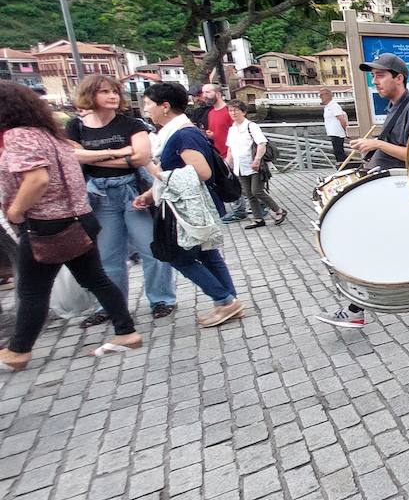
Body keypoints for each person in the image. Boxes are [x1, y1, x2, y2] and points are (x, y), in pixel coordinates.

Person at [0, 82, 142, 371]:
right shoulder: (50, 135)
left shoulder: (19, 136)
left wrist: (15, 210)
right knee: (97, 279)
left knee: (33, 290)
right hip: (79, 217)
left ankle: (18, 351)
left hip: (48, 224)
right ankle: (126, 331)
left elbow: (37, 179)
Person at [316, 53, 409, 327]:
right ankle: (357, 309)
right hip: (387, 191)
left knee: (393, 246)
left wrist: (377, 145)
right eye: (373, 76)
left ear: (399, 78)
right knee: (384, 246)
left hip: (402, 192)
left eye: (380, 75)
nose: (375, 81)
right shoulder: (395, 107)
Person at [66, 74, 177, 321]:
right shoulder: (77, 126)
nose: (112, 96)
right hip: (98, 196)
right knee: (108, 256)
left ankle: (161, 299)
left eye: (115, 91)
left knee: (152, 249)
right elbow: (72, 155)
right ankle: (110, 305)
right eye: (105, 91)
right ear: (90, 95)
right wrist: (119, 152)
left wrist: (93, 156)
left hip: (132, 192)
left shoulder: (131, 124)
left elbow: (140, 157)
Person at [133, 82, 244, 327]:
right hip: (190, 204)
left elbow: (201, 172)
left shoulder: (183, 134)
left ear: (165, 106)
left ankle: (225, 300)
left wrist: (150, 167)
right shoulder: (181, 131)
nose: (145, 108)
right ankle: (228, 302)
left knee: (177, 256)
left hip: (188, 207)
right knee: (207, 253)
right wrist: (151, 194)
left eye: (148, 104)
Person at [225, 101, 287, 228]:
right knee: (249, 193)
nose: (233, 113)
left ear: (243, 112)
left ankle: (279, 210)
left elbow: (262, 143)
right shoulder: (232, 129)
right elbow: (230, 149)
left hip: (255, 165)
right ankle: (258, 218)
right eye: (230, 110)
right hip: (240, 166)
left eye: (236, 110)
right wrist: (227, 166)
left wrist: (257, 160)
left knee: (257, 191)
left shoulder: (251, 126)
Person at [198, 83, 247, 223]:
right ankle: (245, 208)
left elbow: (240, 129)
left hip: (233, 153)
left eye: (208, 92)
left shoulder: (229, 111)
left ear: (218, 94)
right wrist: (210, 135)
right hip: (219, 153)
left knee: (238, 182)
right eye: (203, 92)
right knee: (232, 182)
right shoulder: (210, 113)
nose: (205, 96)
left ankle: (246, 208)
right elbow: (217, 132)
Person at [320, 88, 349, 164]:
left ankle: (346, 166)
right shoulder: (327, 107)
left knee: (339, 153)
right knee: (338, 152)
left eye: (321, 95)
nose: (320, 97)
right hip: (333, 133)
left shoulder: (334, 106)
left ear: (328, 95)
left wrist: (346, 131)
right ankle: (345, 166)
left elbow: (341, 119)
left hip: (338, 133)